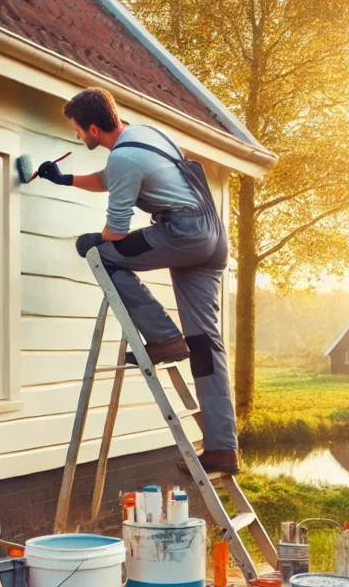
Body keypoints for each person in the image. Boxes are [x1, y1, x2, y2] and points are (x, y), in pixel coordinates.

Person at [36, 88, 239, 475]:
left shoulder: (125, 157)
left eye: (79, 131)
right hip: (211, 238)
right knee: (205, 345)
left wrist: (92, 241)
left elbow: (116, 232)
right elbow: (110, 178)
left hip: (183, 233)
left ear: (94, 128)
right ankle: (222, 448)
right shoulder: (144, 135)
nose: (78, 137)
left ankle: (163, 337)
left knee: (98, 252)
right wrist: (65, 180)